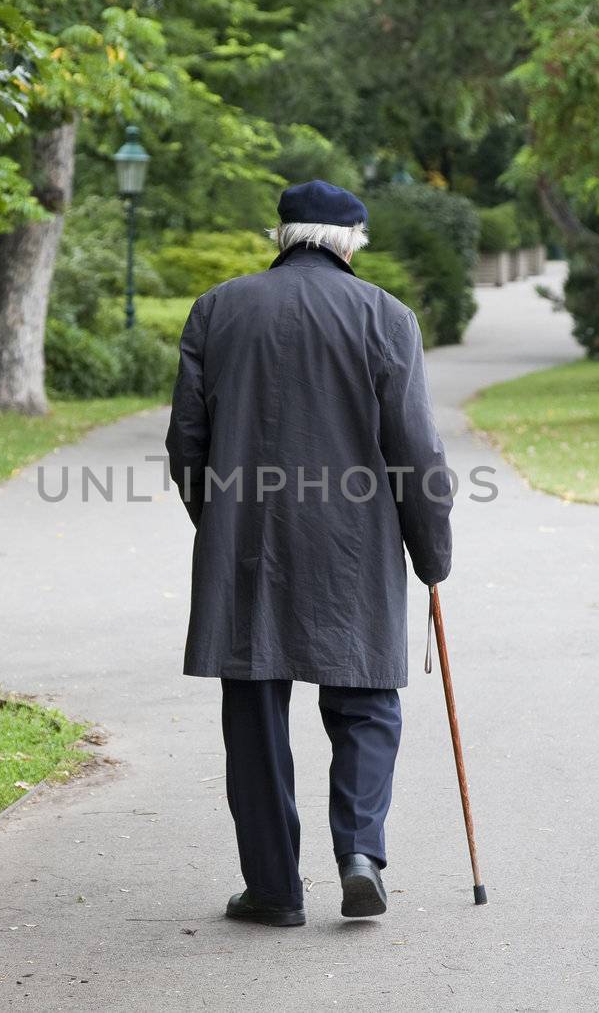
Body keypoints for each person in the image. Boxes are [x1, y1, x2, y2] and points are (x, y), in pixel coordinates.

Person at [165, 180, 453, 926]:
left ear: (283, 236)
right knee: (366, 702)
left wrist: (218, 518)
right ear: (350, 239)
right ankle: (359, 852)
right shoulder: (386, 316)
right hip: (352, 545)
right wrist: (432, 553)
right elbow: (416, 452)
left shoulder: (218, 308)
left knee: (254, 712)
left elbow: (186, 444)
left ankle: (273, 889)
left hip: (247, 541)